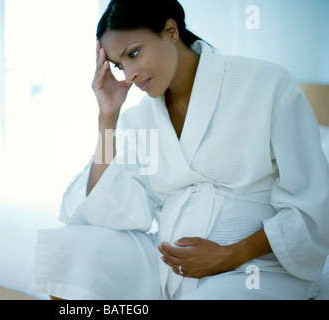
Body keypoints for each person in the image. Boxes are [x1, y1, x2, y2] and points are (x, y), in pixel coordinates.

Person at [34, 0, 329, 300]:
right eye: (120, 66)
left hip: (253, 268)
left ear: (171, 30)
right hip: (168, 264)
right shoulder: (141, 119)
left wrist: (227, 256)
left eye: (134, 53)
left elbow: (311, 205)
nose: (129, 76)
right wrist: (107, 116)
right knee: (74, 251)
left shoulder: (266, 84)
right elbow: (105, 210)